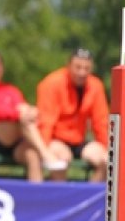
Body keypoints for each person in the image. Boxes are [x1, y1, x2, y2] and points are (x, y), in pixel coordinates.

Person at [0, 49, 65, 182]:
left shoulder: (11, 90)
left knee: (32, 155)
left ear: (2, 67)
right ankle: (45, 154)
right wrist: (20, 113)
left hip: (16, 140)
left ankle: (38, 197)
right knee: (22, 115)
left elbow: (23, 109)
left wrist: (32, 111)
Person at [36, 48, 110, 182]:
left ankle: (89, 196)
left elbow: (101, 122)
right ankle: (60, 197)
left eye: (86, 68)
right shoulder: (52, 83)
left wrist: (107, 148)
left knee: (107, 160)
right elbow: (45, 120)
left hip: (79, 140)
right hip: (56, 138)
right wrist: (44, 150)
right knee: (62, 159)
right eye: (78, 67)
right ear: (68, 65)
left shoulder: (95, 86)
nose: (82, 72)